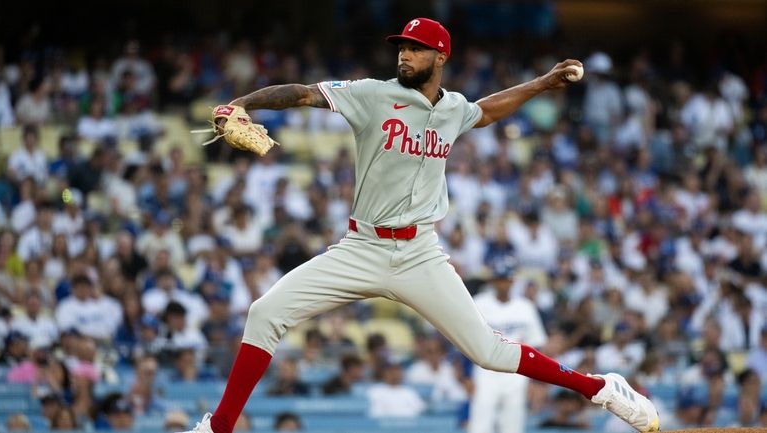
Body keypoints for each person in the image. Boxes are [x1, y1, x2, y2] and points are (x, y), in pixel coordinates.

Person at [182, 17, 660, 433]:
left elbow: (487, 111)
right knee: (265, 313)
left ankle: (601, 388)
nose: (405, 55)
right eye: (402, 48)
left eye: (415, 49)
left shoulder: (452, 109)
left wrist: (541, 83)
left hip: (419, 254)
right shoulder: (373, 94)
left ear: (440, 57)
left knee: (488, 352)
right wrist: (242, 102)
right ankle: (218, 427)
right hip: (361, 247)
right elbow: (305, 93)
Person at [468, 258, 547, 433]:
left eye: (506, 278)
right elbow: (466, 340)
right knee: (480, 425)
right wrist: (467, 374)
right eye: (499, 278)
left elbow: (536, 346)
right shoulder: (479, 303)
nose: (503, 283)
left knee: (512, 427)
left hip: (517, 373)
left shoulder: (525, 307)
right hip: (486, 372)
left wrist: (536, 382)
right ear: (493, 280)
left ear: (513, 280)